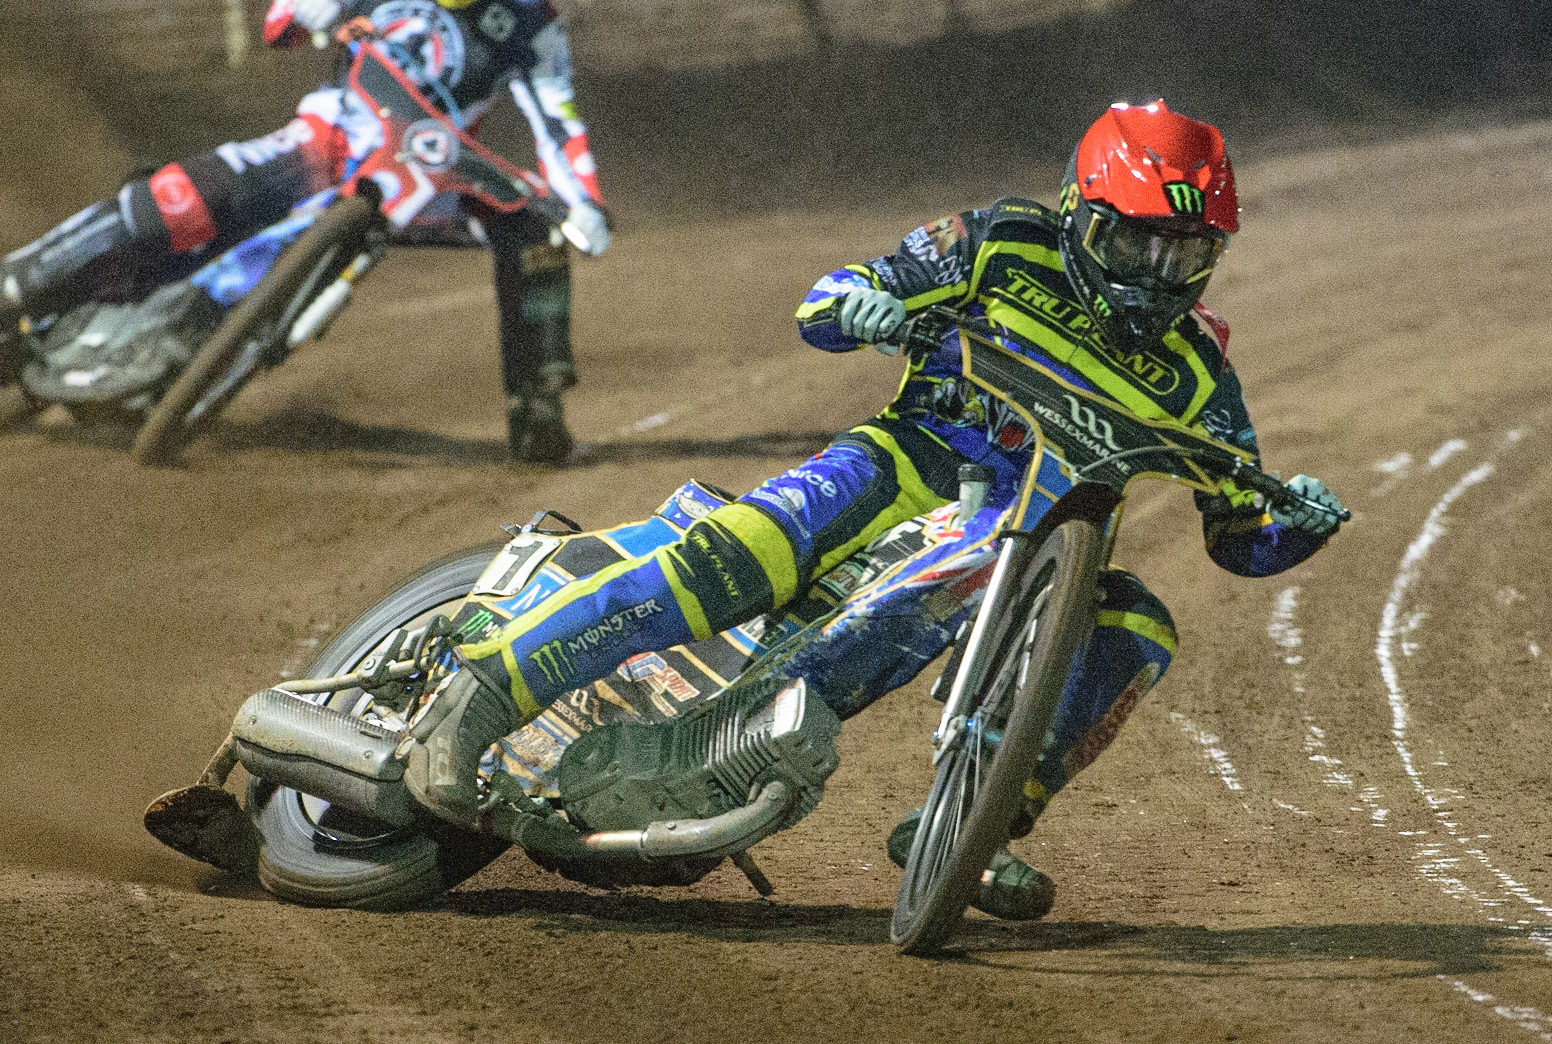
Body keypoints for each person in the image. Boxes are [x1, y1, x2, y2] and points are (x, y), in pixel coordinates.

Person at [399, 100, 1345, 919]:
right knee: (742, 557)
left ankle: (975, 815)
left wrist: (1290, 524)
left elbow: (1239, 533)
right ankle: (481, 697)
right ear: (1077, 212)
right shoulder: (1000, 241)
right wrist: (861, 306)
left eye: (1183, 253)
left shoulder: (1200, 374)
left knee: (1141, 621)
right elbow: (835, 294)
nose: (1151, 271)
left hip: (1025, 559)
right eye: (1132, 240)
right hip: (901, 466)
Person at [0, 0, 609, 462]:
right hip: (331, 138)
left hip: (428, 186)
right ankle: (20, 285)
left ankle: (538, 405)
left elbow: (559, 121)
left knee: (536, 232)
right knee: (182, 198)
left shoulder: (531, 22)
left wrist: (585, 203)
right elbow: (280, 26)